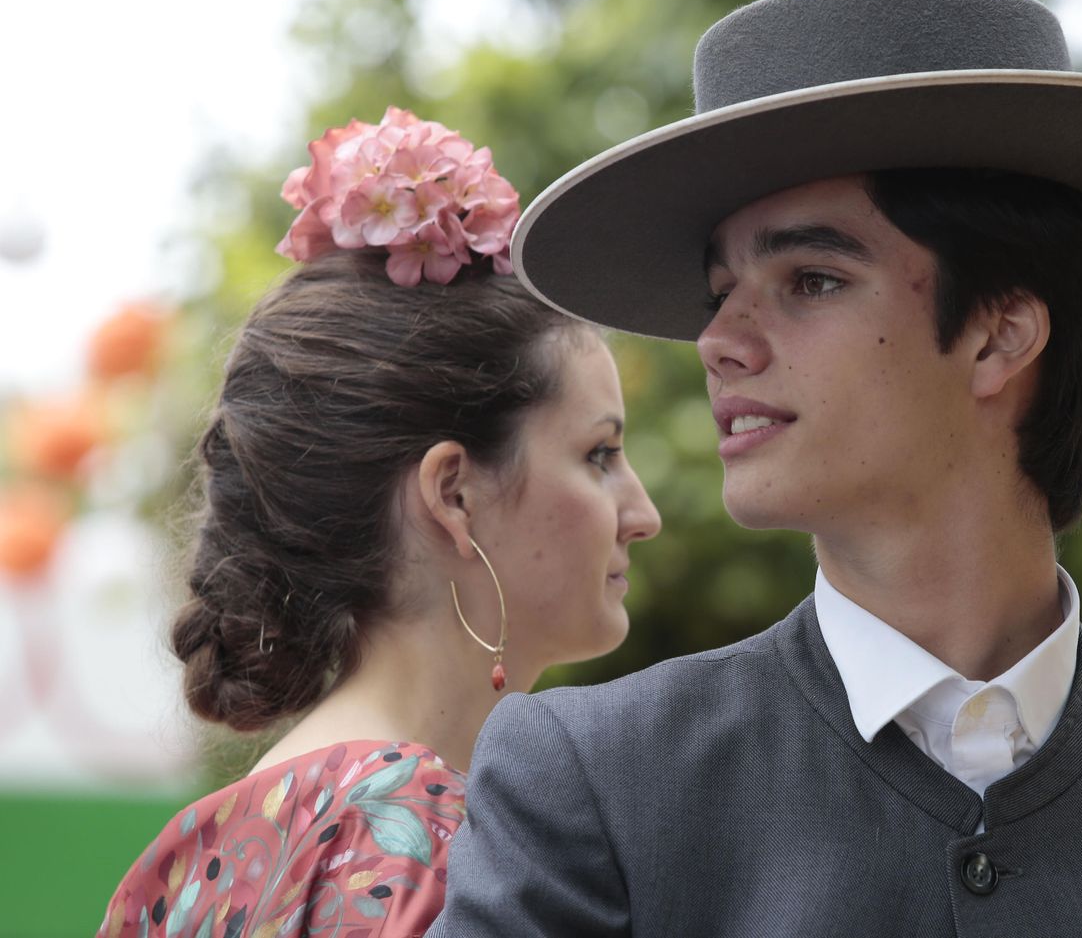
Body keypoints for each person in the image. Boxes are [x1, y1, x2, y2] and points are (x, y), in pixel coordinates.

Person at [431, 0, 1082, 935]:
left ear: (1000, 335)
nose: (720, 341)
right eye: (717, 290)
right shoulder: (590, 782)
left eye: (810, 279)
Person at [97, 107, 661, 938]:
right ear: (453, 492)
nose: (641, 515)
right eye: (600, 455)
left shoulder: (185, 862)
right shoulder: (445, 846)